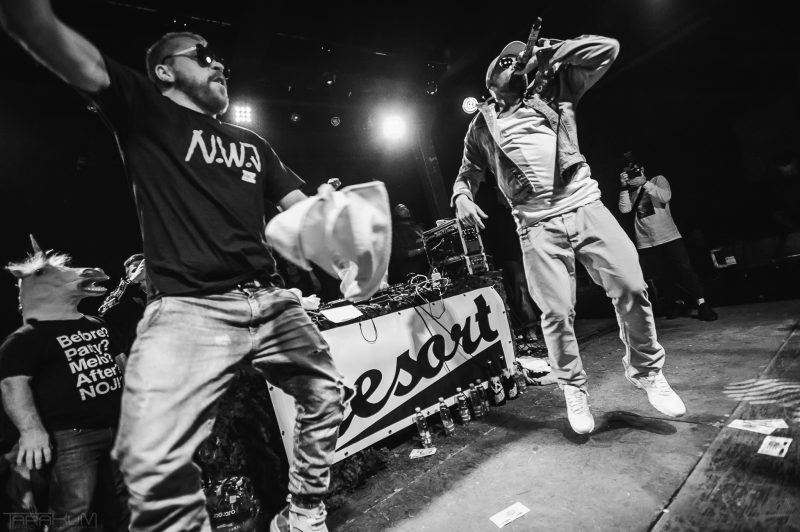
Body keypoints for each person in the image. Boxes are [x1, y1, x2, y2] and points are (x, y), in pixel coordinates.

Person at [0, 4, 352, 531]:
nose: (219, 65)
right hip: (190, 305)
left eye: (220, 61)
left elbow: (302, 216)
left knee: (326, 396)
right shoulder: (146, 110)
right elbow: (49, 37)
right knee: (158, 457)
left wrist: (333, 224)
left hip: (270, 298)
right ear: (164, 70)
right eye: (202, 57)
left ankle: (303, 515)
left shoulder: (254, 144)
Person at [452, 32, 686, 434]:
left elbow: (607, 50)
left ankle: (647, 371)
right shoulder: (480, 127)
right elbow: (467, 174)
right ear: (489, 79)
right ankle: (573, 388)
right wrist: (461, 197)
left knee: (632, 287)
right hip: (536, 226)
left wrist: (553, 51)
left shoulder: (555, 90)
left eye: (519, 59)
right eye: (505, 61)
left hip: (585, 206)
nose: (514, 64)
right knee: (557, 313)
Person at [0, 242, 129, 531]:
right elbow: (12, 383)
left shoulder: (98, 323)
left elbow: (120, 364)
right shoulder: (26, 338)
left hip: (118, 429)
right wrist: (31, 431)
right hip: (71, 437)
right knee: (74, 511)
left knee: (123, 502)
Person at [618, 157, 718, 321]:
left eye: (635, 170)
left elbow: (665, 197)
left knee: (685, 270)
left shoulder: (658, 180)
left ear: (642, 169)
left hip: (669, 236)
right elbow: (624, 210)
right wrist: (623, 186)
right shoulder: (630, 190)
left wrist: (644, 183)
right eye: (629, 172)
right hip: (646, 241)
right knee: (662, 275)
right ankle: (675, 304)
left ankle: (702, 304)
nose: (633, 174)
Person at [99, 253, 148, 367]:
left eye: (145, 267)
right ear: (129, 276)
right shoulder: (126, 298)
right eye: (135, 270)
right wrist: (132, 281)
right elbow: (103, 311)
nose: (142, 270)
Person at [389, 203, 429, 283]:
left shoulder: (418, 227)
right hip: (413, 271)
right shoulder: (396, 232)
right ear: (396, 215)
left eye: (405, 207)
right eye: (401, 209)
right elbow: (400, 254)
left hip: (428, 265)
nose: (405, 209)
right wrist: (421, 250)